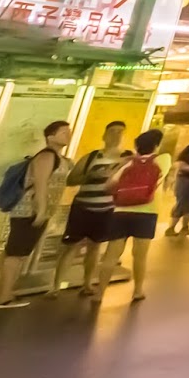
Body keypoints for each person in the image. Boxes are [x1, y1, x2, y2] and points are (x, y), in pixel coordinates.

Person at [0, 119, 71, 309]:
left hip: (32, 211)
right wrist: (41, 210)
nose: (68, 135)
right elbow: (40, 183)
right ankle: (3, 296)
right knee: (16, 253)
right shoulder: (47, 156)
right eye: (63, 132)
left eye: (68, 131)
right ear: (50, 137)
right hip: (28, 210)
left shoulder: (58, 158)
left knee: (13, 252)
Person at [51, 120, 127, 297]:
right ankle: (55, 286)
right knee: (71, 246)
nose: (116, 135)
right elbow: (71, 180)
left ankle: (87, 284)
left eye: (120, 132)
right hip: (83, 207)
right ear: (104, 135)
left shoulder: (126, 158)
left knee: (95, 246)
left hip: (107, 209)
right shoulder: (91, 157)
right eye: (112, 131)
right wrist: (90, 176)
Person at [96, 129, 165, 305]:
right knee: (139, 255)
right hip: (146, 213)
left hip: (121, 211)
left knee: (111, 255)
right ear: (157, 145)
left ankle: (99, 293)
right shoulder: (162, 160)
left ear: (136, 146)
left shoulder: (128, 164)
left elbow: (108, 186)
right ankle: (138, 290)